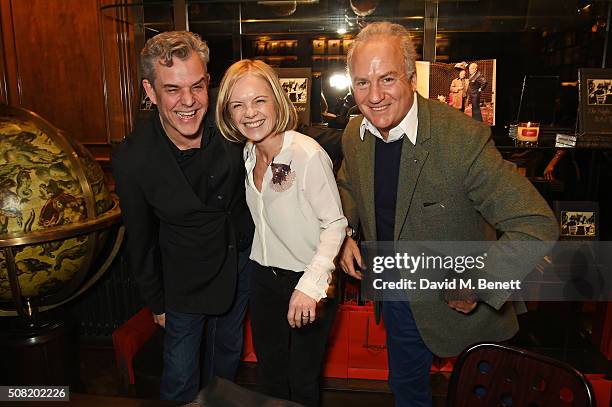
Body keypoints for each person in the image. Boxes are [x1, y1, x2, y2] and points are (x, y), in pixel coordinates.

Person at [337, 22, 558, 407]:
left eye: (387, 78)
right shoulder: (354, 135)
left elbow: (535, 223)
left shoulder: (461, 138)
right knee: (408, 396)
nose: (374, 97)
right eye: (361, 83)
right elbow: (348, 187)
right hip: (397, 298)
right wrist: (344, 233)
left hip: (468, 309)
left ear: (410, 76)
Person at [112, 31, 253, 403]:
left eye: (197, 86)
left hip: (238, 265)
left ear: (208, 82)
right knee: (179, 373)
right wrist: (156, 303)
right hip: (182, 282)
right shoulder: (132, 157)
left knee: (226, 357)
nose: (188, 102)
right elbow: (139, 241)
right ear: (150, 90)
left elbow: (283, 135)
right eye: (173, 89)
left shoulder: (232, 125)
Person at [216, 59, 347, 407]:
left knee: (301, 381)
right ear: (228, 113)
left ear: (277, 100)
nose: (250, 113)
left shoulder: (306, 154)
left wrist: (310, 285)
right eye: (238, 104)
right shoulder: (247, 153)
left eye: (259, 100)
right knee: (270, 375)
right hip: (263, 279)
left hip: (309, 281)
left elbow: (335, 224)